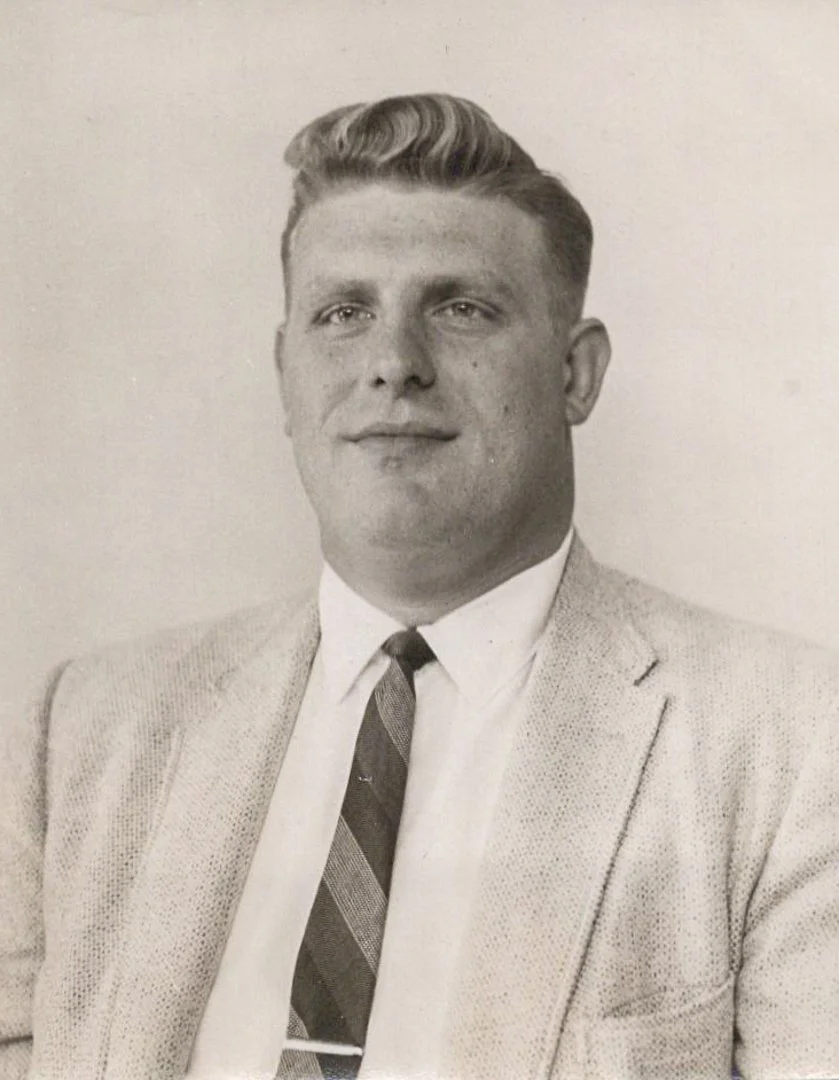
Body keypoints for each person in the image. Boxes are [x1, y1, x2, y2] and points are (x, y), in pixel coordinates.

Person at [1, 93, 838, 1080]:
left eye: (460, 308)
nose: (393, 365)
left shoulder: (791, 744)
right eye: (342, 313)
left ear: (575, 374)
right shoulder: (87, 728)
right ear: (286, 374)